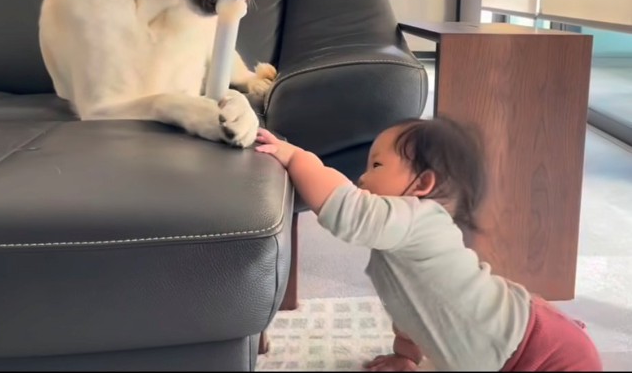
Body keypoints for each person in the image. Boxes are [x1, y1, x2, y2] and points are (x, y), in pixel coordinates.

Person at [255, 117, 602, 371]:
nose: (362, 177)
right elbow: (414, 309)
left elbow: (346, 208)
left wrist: (299, 158)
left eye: (376, 164)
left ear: (422, 184)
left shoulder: (420, 218)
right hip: (510, 346)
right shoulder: (402, 243)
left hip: (545, 352)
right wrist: (406, 355)